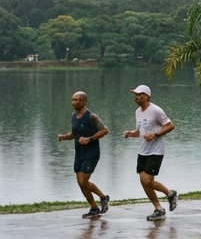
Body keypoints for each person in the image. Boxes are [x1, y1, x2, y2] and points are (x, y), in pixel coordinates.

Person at [123, 84, 177, 221]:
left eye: (139, 94)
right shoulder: (138, 112)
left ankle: (170, 193)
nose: (136, 97)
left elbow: (170, 125)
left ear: (147, 96)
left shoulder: (156, 110)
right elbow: (140, 132)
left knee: (147, 180)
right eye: (135, 95)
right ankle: (158, 208)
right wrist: (131, 133)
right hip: (143, 151)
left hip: (156, 150)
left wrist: (155, 134)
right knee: (143, 181)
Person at [57, 90, 110, 218]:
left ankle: (103, 197)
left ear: (84, 101)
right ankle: (93, 208)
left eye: (78, 100)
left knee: (83, 181)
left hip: (91, 153)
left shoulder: (91, 116)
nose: (75, 102)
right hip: (79, 153)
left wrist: (90, 139)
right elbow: (75, 134)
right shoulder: (73, 116)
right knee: (81, 183)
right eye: (73, 100)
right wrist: (64, 137)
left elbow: (104, 130)